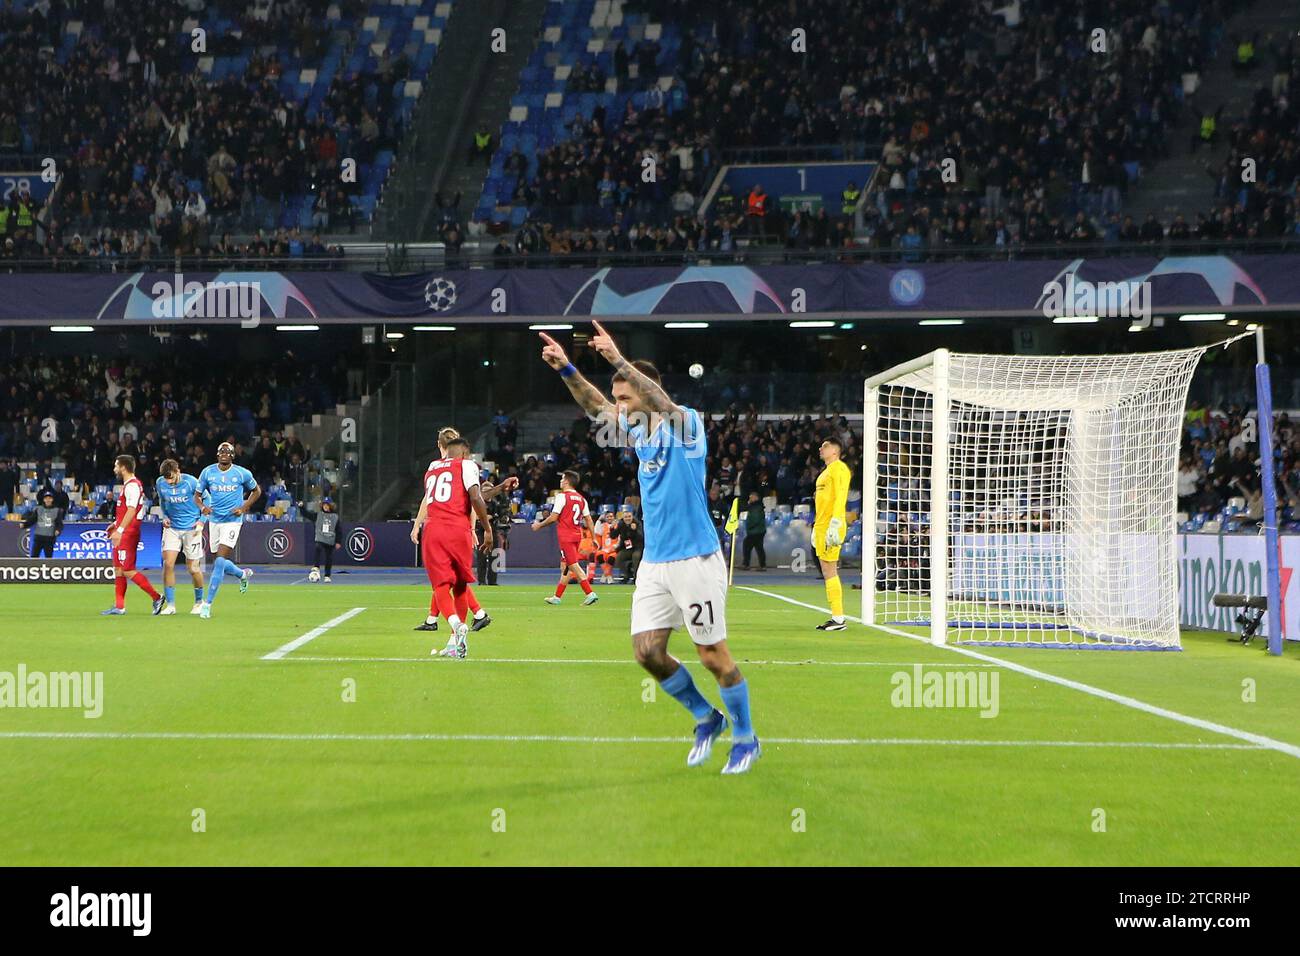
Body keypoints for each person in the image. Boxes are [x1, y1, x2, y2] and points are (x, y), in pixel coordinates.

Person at [538, 322, 759, 773]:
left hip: (696, 558)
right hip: (656, 563)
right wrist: (567, 369)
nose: (618, 408)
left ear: (646, 394)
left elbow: (662, 402)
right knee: (647, 652)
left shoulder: (687, 425)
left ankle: (746, 737)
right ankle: (705, 717)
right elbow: (595, 406)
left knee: (712, 656)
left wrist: (618, 359)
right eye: (619, 399)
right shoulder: (640, 435)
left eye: (626, 399)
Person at [409, 436, 494, 659]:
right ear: (465, 454)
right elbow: (475, 497)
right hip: (460, 529)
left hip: (435, 529)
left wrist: (417, 525)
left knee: (440, 585)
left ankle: (456, 626)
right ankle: (455, 641)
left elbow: (429, 499)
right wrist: (487, 528)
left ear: (446, 451)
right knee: (460, 585)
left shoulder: (432, 467)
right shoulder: (467, 465)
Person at [196, 441, 260, 619]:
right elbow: (197, 496)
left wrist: (244, 507)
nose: (224, 453)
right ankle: (242, 574)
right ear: (217, 455)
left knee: (219, 562)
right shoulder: (208, 472)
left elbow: (257, 491)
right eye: (221, 451)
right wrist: (202, 508)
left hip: (232, 521)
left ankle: (207, 604)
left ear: (233, 455)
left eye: (228, 451)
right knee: (219, 562)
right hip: (214, 520)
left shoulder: (241, 473)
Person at [100, 454, 164, 616]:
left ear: (123, 467)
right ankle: (119, 606)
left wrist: (120, 531)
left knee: (127, 569)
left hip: (128, 533)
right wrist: (116, 524)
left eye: (116, 465)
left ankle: (156, 597)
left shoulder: (132, 486)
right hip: (124, 530)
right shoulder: (129, 485)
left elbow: (132, 510)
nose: (114, 468)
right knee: (119, 569)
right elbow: (131, 511)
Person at [533, 469, 599, 606]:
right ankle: (557, 596)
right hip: (577, 535)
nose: (561, 481)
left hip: (566, 536)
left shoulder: (562, 497)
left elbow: (553, 517)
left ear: (567, 481)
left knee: (573, 564)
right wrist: (594, 537)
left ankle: (589, 592)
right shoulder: (582, 499)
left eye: (562, 479)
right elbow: (589, 520)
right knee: (566, 566)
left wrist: (539, 525)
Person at [155, 458, 206, 615]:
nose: (169, 481)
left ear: (178, 471)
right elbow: (162, 501)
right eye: (166, 478)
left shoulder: (191, 482)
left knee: (193, 568)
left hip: (192, 528)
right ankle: (170, 605)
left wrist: (202, 522)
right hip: (172, 528)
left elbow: (208, 500)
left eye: (171, 477)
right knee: (168, 564)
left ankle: (199, 602)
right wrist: (165, 516)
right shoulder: (160, 483)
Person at [813, 437, 852, 631]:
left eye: (825, 446)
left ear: (835, 451)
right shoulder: (826, 473)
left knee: (830, 570)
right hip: (822, 526)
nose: (821, 448)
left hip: (831, 525)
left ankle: (838, 619)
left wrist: (835, 523)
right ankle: (836, 617)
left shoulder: (839, 469)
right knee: (826, 570)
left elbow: (840, 496)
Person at [308, 497, 343, 582]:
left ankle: (327, 576)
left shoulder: (335, 517)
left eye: (327, 505)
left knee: (329, 558)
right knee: (318, 547)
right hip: (321, 537)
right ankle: (316, 566)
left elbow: (339, 530)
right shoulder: (318, 515)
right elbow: (307, 515)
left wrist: (338, 541)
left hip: (330, 539)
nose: (325, 506)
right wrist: (301, 508)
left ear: (330, 506)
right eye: (324, 505)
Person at [25, 490, 63, 558]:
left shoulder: (57, 510)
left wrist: (58, 530)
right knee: (34, 557)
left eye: (49, 498)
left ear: (52, 499)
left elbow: (59, 523)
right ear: (44, 500)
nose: (48, 500)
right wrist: (24, 524)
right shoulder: (38, 509)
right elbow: (32, 520)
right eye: (46, 498)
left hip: (49, 538)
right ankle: (34, 568)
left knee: (48, 558)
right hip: (38, 538)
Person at [613, 509, 643, 583]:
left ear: (632, 517)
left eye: (629, 516)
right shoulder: (621, 524)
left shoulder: (637, 523)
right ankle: (625, 575)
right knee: (620, 556)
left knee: (636, 557)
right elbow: (613, 536)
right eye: (626, 517)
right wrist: (612, 528)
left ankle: (636, 578)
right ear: (623, 518)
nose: (628, 518)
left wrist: (635, 530)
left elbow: (641, 537)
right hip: (627, 548)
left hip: (638, 547)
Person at [741, 491, 767, 571]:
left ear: (756, 498)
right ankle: (762, 565)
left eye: (751, 497)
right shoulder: (756, 506)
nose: (750, 499)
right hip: (758, 530)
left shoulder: (755, 507)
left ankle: (746, 564)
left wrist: (749, 526)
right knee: (759, 548)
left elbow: (755, 519)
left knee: (747, 546)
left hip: (755, 531)